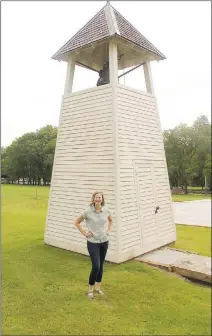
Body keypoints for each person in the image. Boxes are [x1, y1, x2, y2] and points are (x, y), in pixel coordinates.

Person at [74, 191, 112, 299]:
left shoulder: (106, 210)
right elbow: (76, 222)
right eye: (96, 197)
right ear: (93, 199)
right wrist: (84, 233)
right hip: (93, 243)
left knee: (101, 266)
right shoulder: (88, 211)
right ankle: (90, 290)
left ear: (102, 199)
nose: (98, 199)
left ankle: (98, 288)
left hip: (104, 241)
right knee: (96, 266)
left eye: (99, 197)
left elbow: (111, 221)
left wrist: (108, 231)